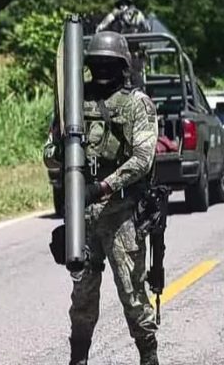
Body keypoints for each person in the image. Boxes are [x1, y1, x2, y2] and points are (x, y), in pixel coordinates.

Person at [65, 31, 160, 365]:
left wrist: (104, 186)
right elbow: (51, 152)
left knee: (132, 297)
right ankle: (78, 359)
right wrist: (62, 152)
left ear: (123, 67)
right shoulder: (76, 104)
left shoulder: (137, 103)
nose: (103, 70)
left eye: (110, 64)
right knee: (82, 298)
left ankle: (148, 357)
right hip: (84, 215)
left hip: (121, 214)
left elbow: (143, 158)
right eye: (97, 63)